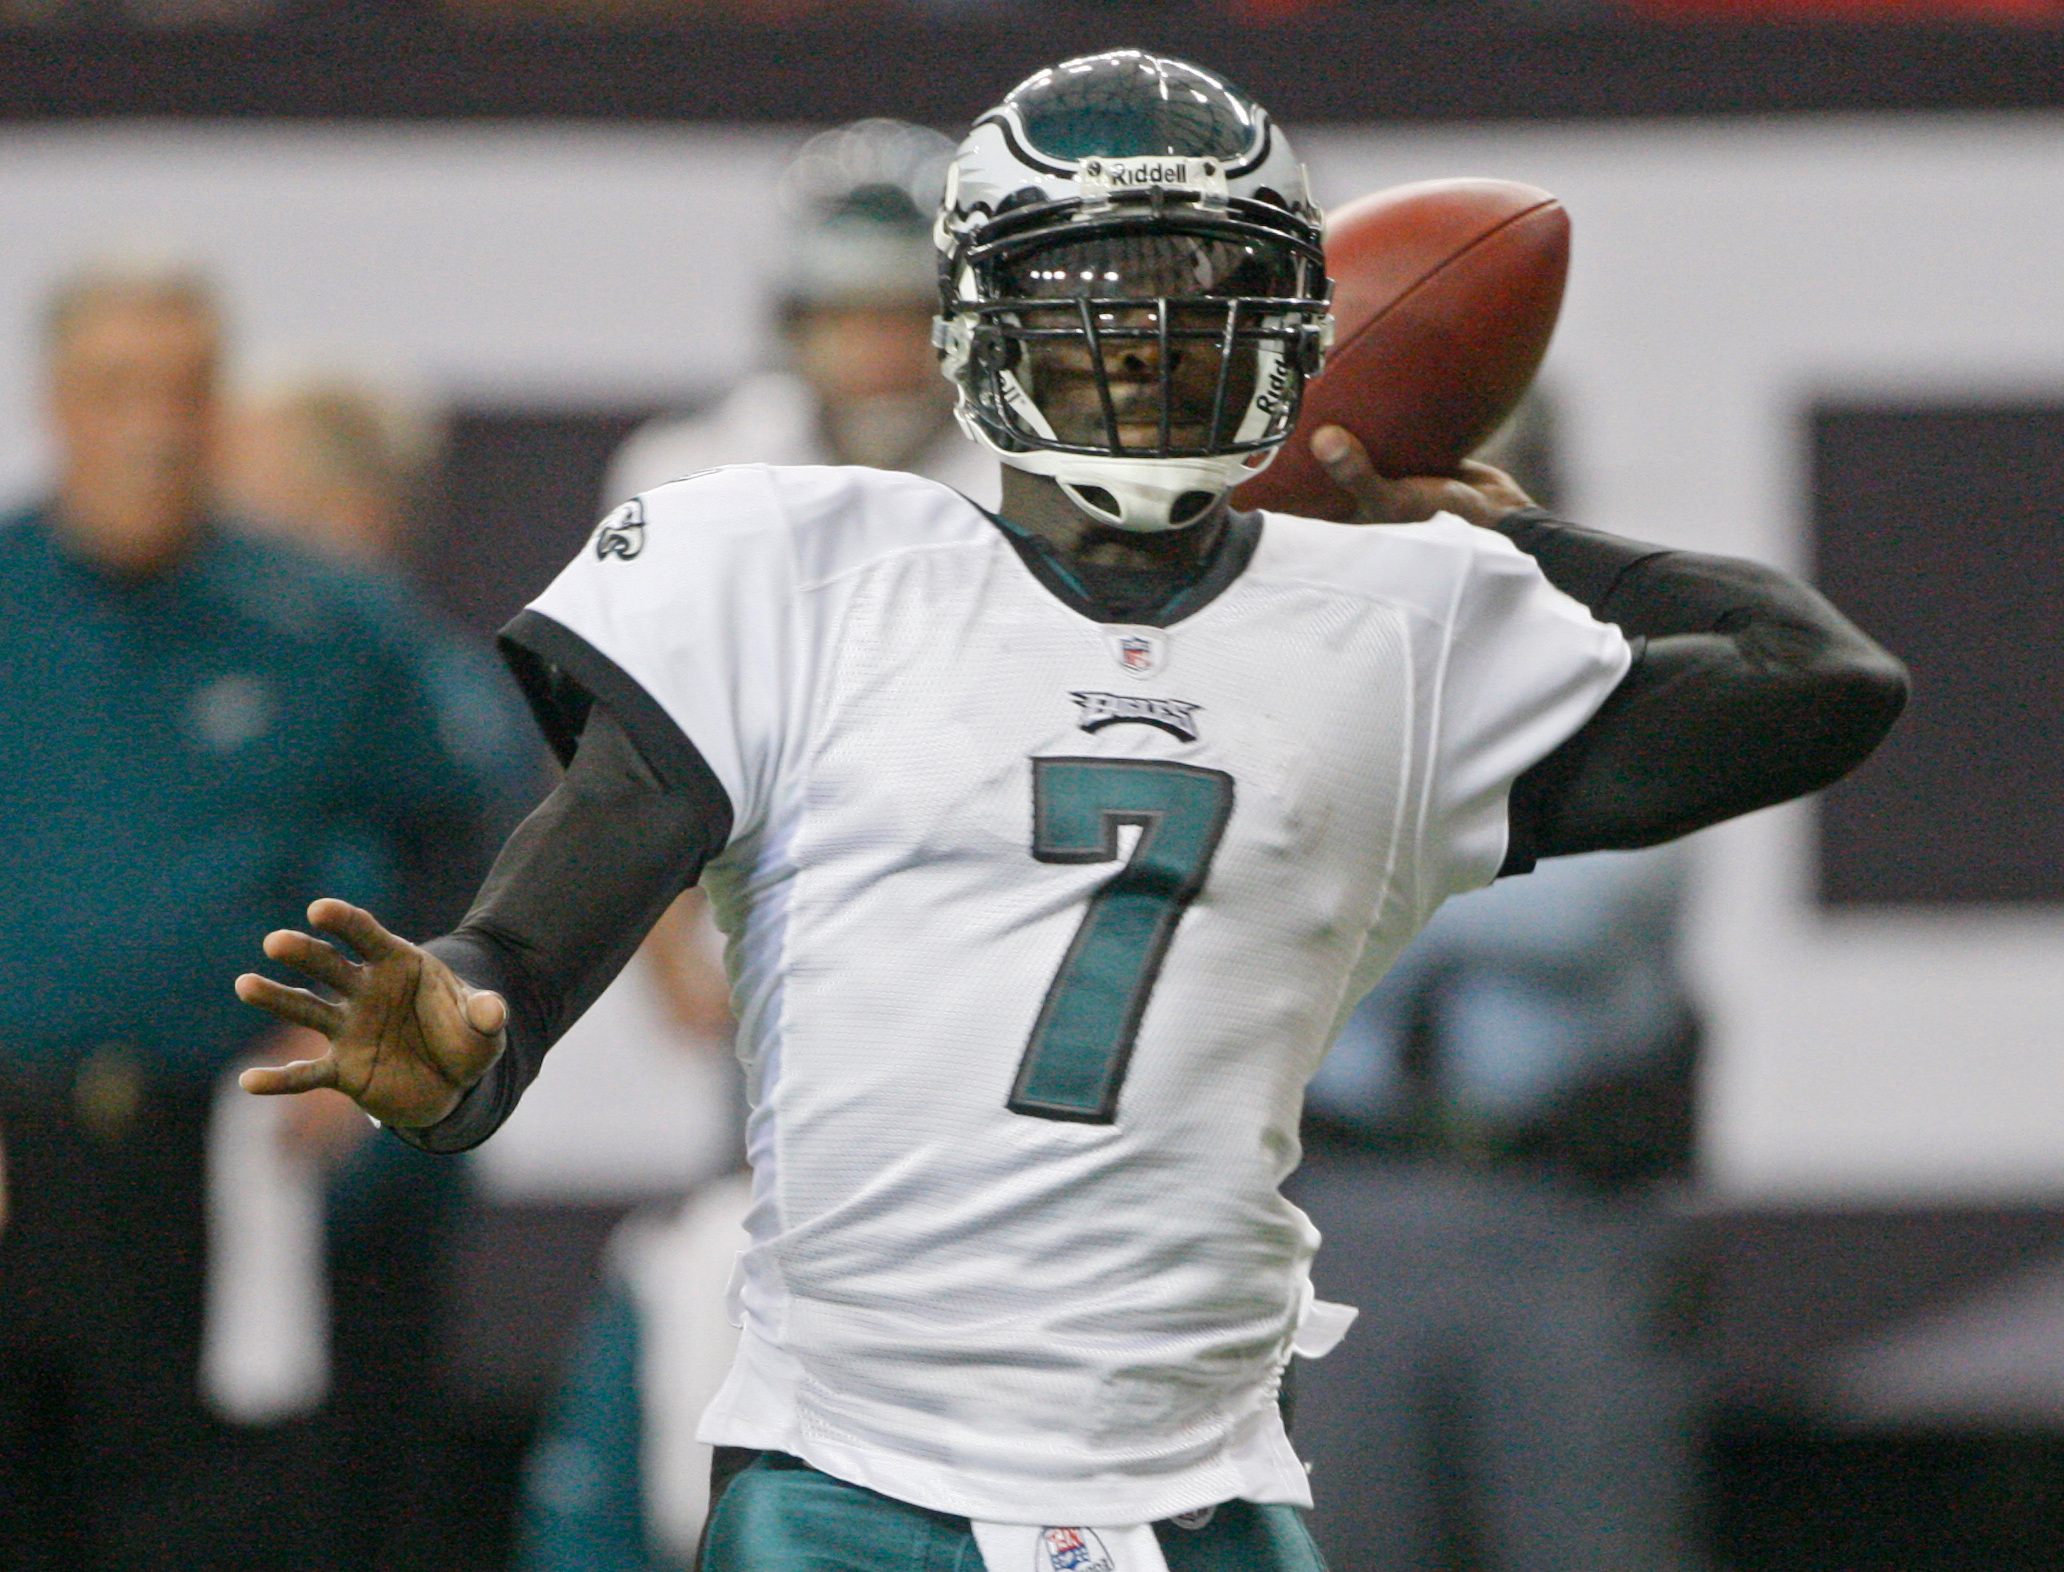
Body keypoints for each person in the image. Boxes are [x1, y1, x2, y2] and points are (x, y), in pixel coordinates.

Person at [235, 51, 1907, 1572]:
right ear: (977, 322)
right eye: (1099, 296)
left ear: (1297, 340)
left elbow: (1817, 681)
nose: (1153, 340)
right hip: (856, 1475)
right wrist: (471, 1015)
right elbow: (568, 885)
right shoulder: (805, 564)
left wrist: (1464, 525)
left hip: (1203, 1486)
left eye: (1205, 295)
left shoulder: (1395, 623)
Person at [0, 260, 517, 1568]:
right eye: (117, 388)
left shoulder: (324, 620)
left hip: (221, 1170)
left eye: (186, 389)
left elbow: (480, 827)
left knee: (221, 1530)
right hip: (13, 1153)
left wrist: (376, 1031)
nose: (153, 425)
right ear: (56, 402)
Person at [604, 116, 995, 509]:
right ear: (793, 327)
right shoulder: (691, 473)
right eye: (844, 320)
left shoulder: (1030, 479)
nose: (879, 353)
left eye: (909, 319)